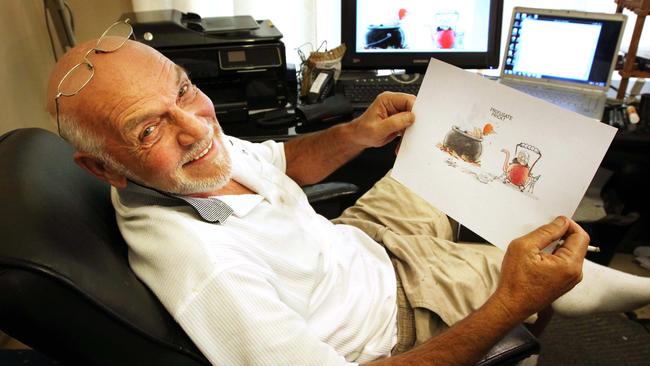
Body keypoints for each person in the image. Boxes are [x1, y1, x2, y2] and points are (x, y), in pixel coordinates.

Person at [46, 31, 650, 365]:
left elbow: (282, 161)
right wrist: (514, 301)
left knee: (455, 159)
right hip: (396, 311)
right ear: (103, 167)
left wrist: (356, 133)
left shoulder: (195, 157)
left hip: (357, 240)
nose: (199, 126)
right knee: (532, 266)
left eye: (185, 89)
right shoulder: (205, 270)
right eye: (147, 129)